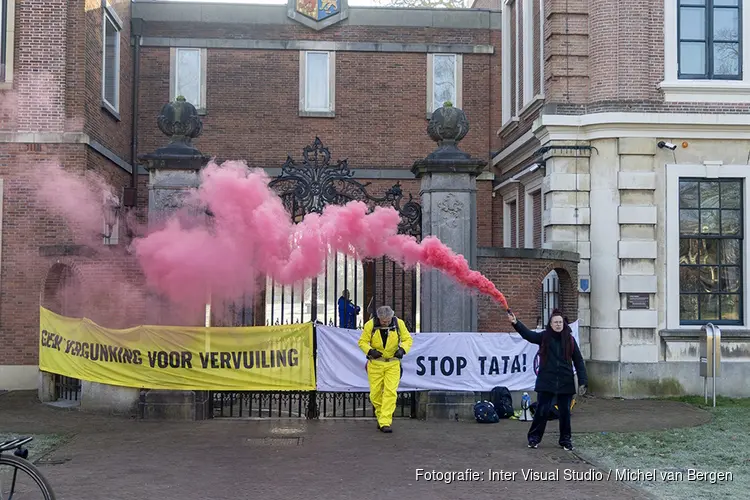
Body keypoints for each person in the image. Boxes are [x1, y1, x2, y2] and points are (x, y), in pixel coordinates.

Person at [507, 308, 588, 451]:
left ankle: (565, 440)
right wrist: (516, 323)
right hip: (546, 381)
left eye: (560, 322)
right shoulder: (544, 337)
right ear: (550, 324)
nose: (558, 324)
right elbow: (529, 335)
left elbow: (579, 361)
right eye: (555, 322)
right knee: (541, 412)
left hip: (565, 382)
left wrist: (583, 381)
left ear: (564, 323)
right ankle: (534, 439)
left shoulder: (570, 339)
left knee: (565, 414)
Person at [358, 305, 413, 433]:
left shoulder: (398, 323)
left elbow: (407, 339)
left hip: (393, 363)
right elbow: (362, 342)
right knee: (375, 394)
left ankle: (385, 422)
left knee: (390, 392)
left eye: (388, 320)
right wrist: (370, 350)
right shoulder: (370, 325)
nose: (386, 323)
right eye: (383, 321)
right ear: (378, 318)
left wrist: (402, 349)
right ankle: (381, 417)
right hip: (376, 363)